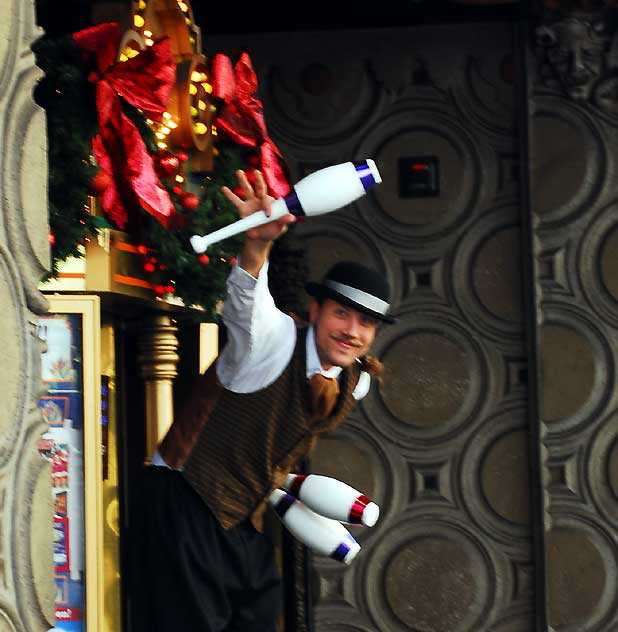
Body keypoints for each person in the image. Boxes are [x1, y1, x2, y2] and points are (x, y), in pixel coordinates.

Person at [129, 168, 395, 632]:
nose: (352, 331)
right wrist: (256, 246)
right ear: (315, 311)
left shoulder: (356, 381)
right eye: (341, 314)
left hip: (241, 520)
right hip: (186, 500)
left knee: (260, 612)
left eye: (365, 324)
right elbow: (246, 302)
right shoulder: (272, 341)